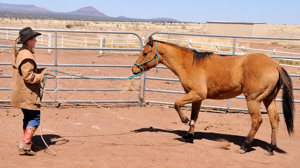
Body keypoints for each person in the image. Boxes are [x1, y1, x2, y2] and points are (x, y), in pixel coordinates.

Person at [11, 27, 46, 155]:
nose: (36, 41)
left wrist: (41, 70)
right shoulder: (27, 56)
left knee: (28, 117)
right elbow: (29, 77)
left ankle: (27, 142)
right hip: (28, 94)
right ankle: (25, 143)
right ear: (29, 41)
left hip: (22, 93)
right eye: (34, 39)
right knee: (35, 118)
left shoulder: (21, 52)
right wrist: (42, 76)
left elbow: (27, 72)